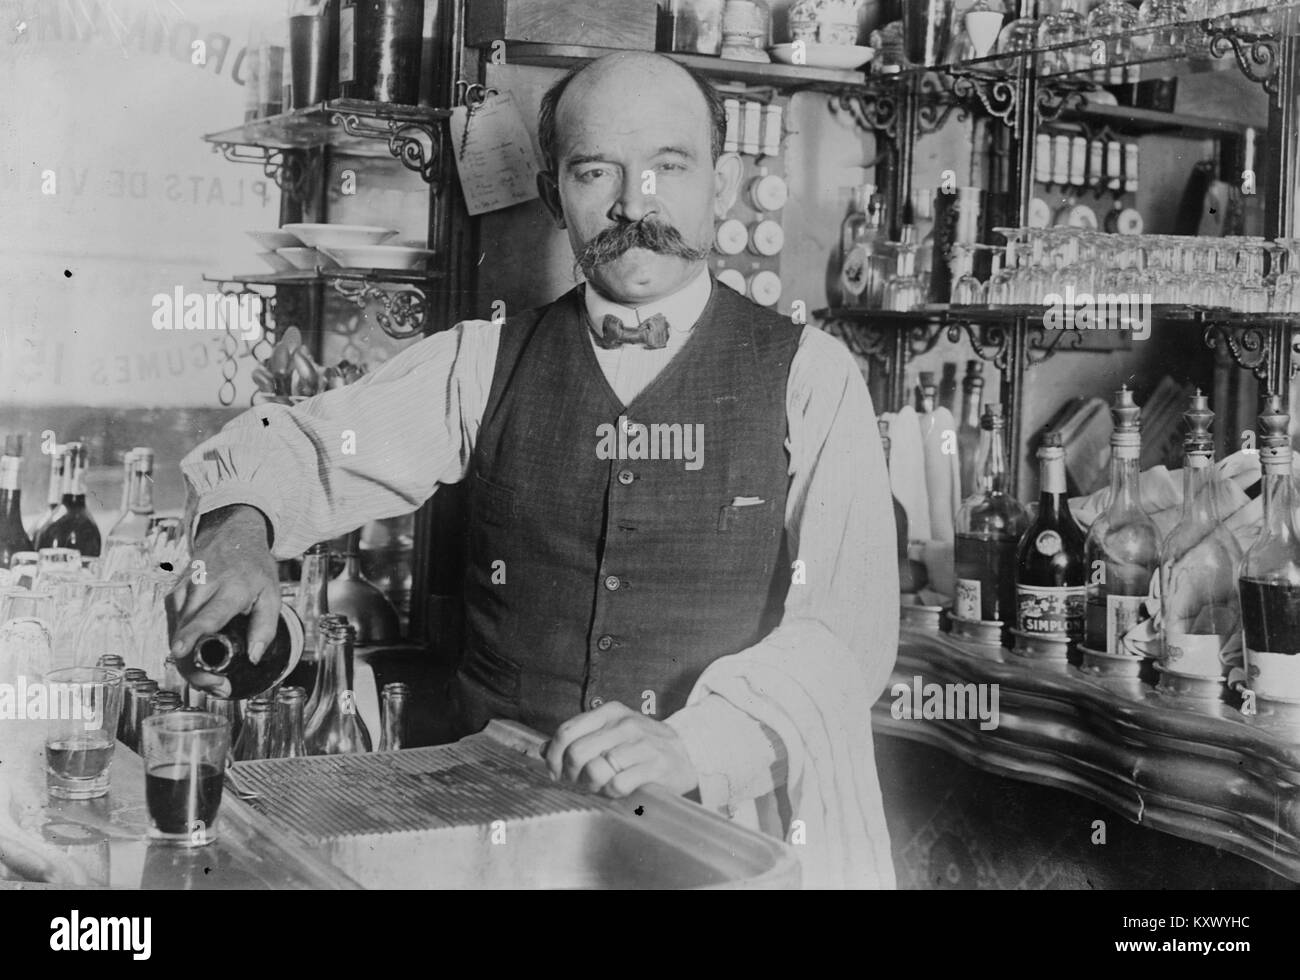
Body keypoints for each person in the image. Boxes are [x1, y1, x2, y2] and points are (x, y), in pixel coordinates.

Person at [174, 51, 899, 888]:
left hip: (709, 837)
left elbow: (844, 636)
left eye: (671, 166)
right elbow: (309, 447)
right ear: (556, 193)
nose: (636, 204)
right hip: (495, 834)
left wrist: (692, 743)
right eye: (598, 172)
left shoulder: (811, 374)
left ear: (722, 183)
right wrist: (241, 523)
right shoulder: (481, 362)